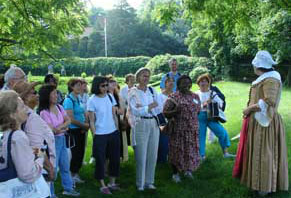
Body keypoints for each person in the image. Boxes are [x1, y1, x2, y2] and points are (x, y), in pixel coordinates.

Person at [233, 50, 288, 196]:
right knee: (257, 151)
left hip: (265, 122)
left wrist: (248, 109)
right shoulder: (265, 78)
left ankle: (265, 186)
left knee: (265, 153)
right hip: (256, 121)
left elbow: (269, 100)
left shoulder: (271, 79)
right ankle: (257, 182)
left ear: (259, 65)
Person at [0, 91, 48, 196]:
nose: (26, 109)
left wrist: (35, 151)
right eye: (22, 107)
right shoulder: (18, 136)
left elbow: (15, 155)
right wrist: (40, 158)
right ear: (12, 114)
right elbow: (27, 174)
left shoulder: (6, 133)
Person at [12, 81, 56, 193]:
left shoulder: (21, 115)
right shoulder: (31, 118)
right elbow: (36, 149)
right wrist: (49, 168)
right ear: (23, 98)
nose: (37, 95)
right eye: (33, 93)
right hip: (39, 169)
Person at [39, 84, 80, 197]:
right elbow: (52, 130)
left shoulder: (60, 107)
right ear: (47, 96)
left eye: (56, 92)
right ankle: (50, 193)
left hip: (62, 139)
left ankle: (68, 188)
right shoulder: (43, 113)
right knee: (53, 168)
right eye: (53, 93)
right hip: (53, 142)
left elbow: (68, 121)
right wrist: (64, 127)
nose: (56, 95)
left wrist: (61, 127)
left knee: (65, 166)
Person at [163, 75, 201, 182]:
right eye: (183, 83)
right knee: (177, 151)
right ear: (178, 85)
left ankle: (188, 171)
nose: (185, 85)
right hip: (178, 130)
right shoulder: (174, 97)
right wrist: (175, 112)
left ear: (190, 84)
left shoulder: (195, 97)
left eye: (188, 82)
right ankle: (175, 174)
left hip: (192, 130)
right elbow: (165, 113)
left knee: (190, 151)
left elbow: (197, 110)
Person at [127, 67, 160, 191]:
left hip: (154, 123)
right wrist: (148, 107)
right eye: (143, 75)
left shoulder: (152, 90)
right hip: (140, 124)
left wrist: (145, 107)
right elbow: (135, 111)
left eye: (148, 76)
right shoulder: (132, 92)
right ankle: (140, 184)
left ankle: (149, 182)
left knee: (152, 154)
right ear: (138, 77)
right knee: (141, 155)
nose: (146, 78)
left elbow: (158, 107)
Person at [87, 76, 121, 195]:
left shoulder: (110, 96)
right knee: (100, 160)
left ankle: (112, 182)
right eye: (103, 86)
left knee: (115, 158)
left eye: (107, 85)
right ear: (97, 86)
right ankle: (102, 185)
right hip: (100, 134)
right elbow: (91, 120)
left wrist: (116, 129)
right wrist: (95, 134)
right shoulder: (92, 100)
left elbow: (114, 115)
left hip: (113, 133)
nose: (106, 88)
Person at [196, 74, 235, 159]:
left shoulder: (212, 93)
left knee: (222, 133)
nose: (203, 83)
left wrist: (213, 103)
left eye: (205, 81)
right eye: (201, 81)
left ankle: (226, 153)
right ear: (198, 83)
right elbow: (193, 107)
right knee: (200, 137)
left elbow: (220, 103)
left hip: (211, 116)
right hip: (200, 117)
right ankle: (201, 156)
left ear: (208, 83)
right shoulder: (195, 94)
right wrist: (203, 104)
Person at [63, 78, 89, 184]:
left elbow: (81, 113)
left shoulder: (77, 98)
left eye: (80, 85)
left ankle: (75, 174)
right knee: (75, 154)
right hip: (74, 131)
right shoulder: (68, 100)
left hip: (80, 130)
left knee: (80, 153)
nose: (79, 87)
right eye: (77, 85)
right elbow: (71, 119)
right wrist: (84, 126)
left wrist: (84, 126)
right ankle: (71, 176)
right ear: (71, 87)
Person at [156, 76, 174, 163]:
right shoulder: (159, 96)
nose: (171, 83)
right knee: (163, 140)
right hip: (163, 119)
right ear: (165, 84)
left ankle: (172, 158)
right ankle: (162, 160)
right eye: (169, 82)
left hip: (174, 119)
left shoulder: (175, 95)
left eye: (172, 82)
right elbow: (159, 109)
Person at [208, 74, 226, 144]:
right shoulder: (201, 89)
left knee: (213, 123)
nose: (207, 81)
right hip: (204, 110)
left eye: (209, 79)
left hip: (213, 110)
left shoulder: (214, 88)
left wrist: (215, 96)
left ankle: (212, 139)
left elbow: (223, 97)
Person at [120, 74, 135, 146]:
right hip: (126, 112)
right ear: (127, 81)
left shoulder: (137, 89)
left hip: (135, 112)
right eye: (131, 79)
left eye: (133, 79)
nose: (132, 81)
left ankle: (134, 144)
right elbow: (122, 101)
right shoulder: (123, 89)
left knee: (134, 130)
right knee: (126, 129)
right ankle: (126, 144)